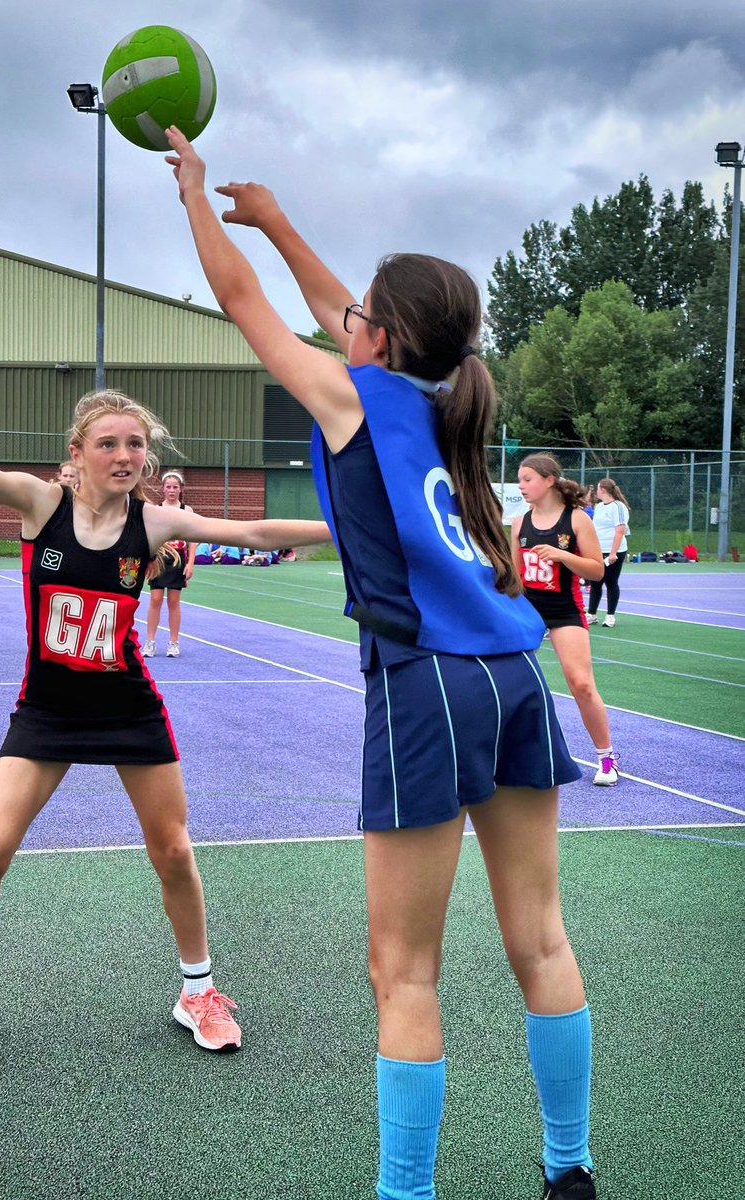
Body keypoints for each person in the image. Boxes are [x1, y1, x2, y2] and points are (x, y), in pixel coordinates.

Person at [164, 128, 596, 1200]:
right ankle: (570, 1169)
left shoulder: (354, 397)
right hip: (512, 673)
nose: (342, 317)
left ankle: (406, 1195)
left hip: (428, 681)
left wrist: (195, 201)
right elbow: (340, 312)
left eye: (360, 316)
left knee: (402, 972)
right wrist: (278, 221)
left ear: (382, 339)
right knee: (539, 941)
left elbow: (244, 303)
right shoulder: (449, 403)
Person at [0, 296, 329, 1054]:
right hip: (46, 710)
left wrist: (352, 526)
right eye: (109, 443)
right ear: (78, 451)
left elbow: (251, 528)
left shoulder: (152, 523)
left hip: (126, 703)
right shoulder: (38, 503)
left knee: (174, 850)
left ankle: (198, 991)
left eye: (136, 446)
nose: (125, 456)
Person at [513, 455, 619, 786]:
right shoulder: (519, 523)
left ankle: (606, 758)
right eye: (519, 479)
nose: (521, 485)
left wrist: (561, 555)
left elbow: (597, 570)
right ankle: (507, 758)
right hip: (527, 610)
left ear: (548, 480)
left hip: (564, 610)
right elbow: (516, 576)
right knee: (506, 684)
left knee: (582, 684)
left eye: (527, 479)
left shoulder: (576, 520)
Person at [144, 470, 196, 658]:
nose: (172, 490)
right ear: (163, 489)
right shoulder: (156, 509)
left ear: (181, 489)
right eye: (168, 487)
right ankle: (150, 641)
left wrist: (190, 563)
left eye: (175, 487)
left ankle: (174, 642)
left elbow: (193, 539)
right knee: (155, 599)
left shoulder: (186, 511)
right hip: (160, 559)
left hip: (178, 561)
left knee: (174, 601)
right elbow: (150, 535)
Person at [587, 480, 630, 629]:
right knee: (595, 582)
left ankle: (610, 615)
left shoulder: (618, 507)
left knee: (611, 582)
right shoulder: (598, 507)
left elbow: (620, 530)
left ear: (604, 490)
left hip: (614, 551)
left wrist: (613, 553)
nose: (596, 492)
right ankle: (591, 614)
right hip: (598, 550)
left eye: (597, 489)